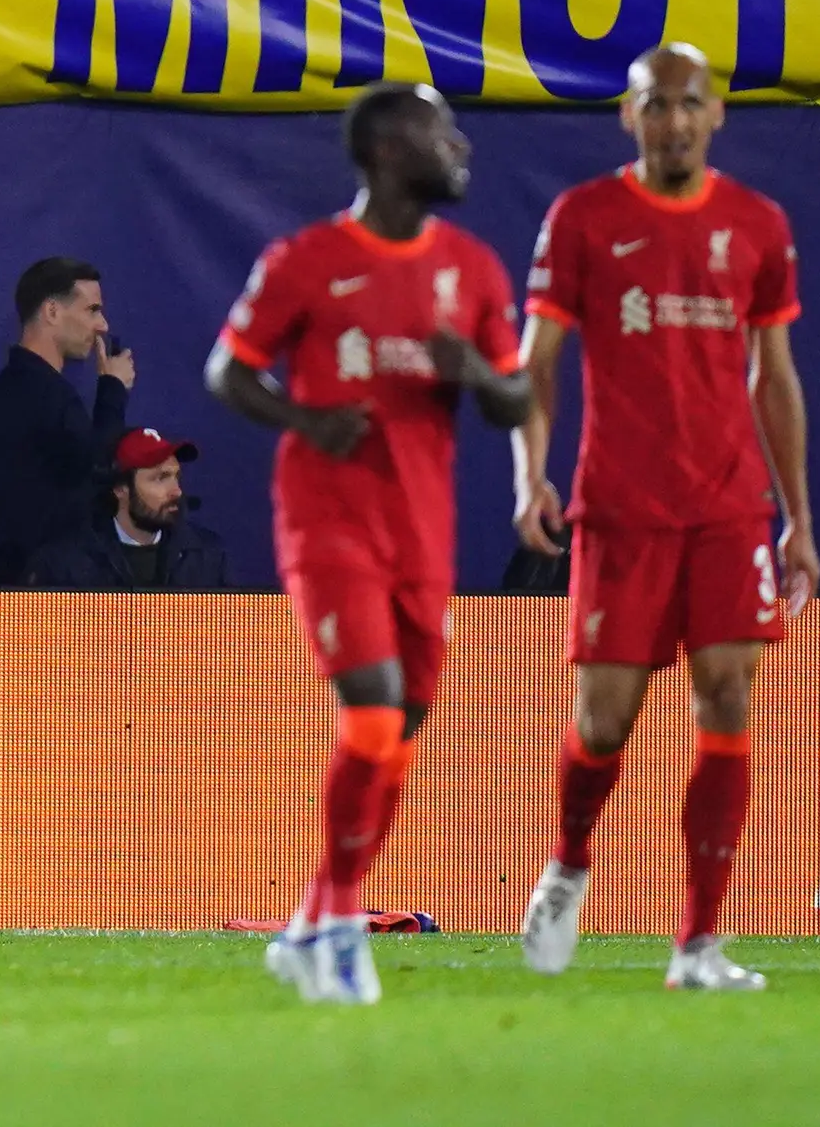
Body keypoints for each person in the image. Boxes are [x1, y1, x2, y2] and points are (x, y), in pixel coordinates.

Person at [208, 84, 534, 1007]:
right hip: (328, 519)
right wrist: (305, 418)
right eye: (443, 133)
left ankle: (313, 917)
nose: (461, 146)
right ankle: (345, 927)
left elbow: (515, 399)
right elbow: (228, 369)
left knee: (403, 723)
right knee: (376, 701)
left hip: (422, 529)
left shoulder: (471, 269)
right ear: (392, 151)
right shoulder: (308, 260)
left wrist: (470, 371)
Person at [512, 44, 816, 993]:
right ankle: (568, 862)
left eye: (688, 104)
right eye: (655, 106)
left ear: (716, 113)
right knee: (605, 723)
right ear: (629, 117)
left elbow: (774, 375)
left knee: (728, 693)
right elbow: (539, 365)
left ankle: (697, 942)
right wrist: (531, 476)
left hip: (729, 508)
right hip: (622, 509)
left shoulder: (756, 225)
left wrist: (797, 517)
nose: (673, 121)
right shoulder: (585, 219)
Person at [0, 254, 135, 585]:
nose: (103, 326)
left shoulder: (15, 393)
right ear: (52, 312)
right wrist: (113, 391)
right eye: (92, 310)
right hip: (47, 597)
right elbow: (98, 465)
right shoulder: (41, 396)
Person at [28, 428, 234, 589]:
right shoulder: (64, 562)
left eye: (176, 476)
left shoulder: (207, 555)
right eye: (160, 478)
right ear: (121, 489)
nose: (177, 492)